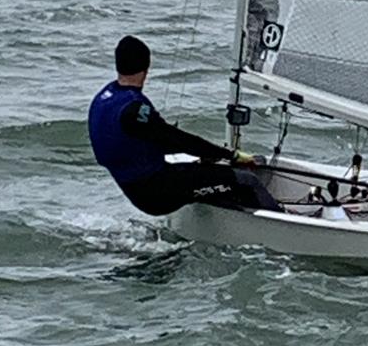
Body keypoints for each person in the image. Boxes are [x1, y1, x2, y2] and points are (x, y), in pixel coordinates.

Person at [88, 35, 282, 216]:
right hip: (157, 195)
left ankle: (231, 213)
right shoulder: (134, 109)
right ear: (147, 67)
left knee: (216, 172)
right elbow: (178, 140)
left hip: (137, 187)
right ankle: (281, 222)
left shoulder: (103, 98)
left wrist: (210, 157)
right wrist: (231, 155)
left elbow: (151, 142)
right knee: (248, 180)